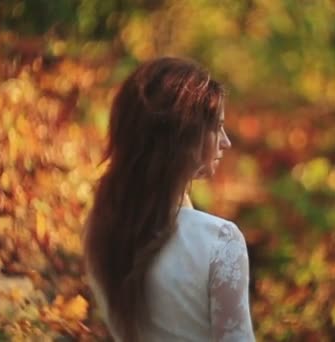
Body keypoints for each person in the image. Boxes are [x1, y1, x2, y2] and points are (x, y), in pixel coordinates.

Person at [83, 57, 255, 342]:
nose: (226, 142)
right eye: (217, 128)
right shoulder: (220, 240)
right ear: (185, 137)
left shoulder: (100, 228)